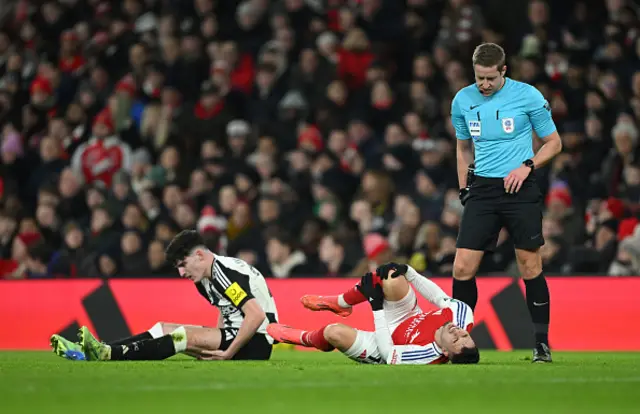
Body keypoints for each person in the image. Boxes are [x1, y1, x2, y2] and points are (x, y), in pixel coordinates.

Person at [451, 43, 563, 362]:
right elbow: (462, 148)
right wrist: (464, 189)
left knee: (530, 266)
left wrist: (527, 165)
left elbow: (554, 143)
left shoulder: (527, 96)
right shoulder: (462, 100)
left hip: (520, 187)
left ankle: (540, 343)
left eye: (490, 78)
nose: (484, 84)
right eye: (479, 78)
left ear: (504, 71)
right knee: (461, 268)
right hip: (483, 190)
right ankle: (461, 340)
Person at [50, 230, 279, 361]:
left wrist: (228, 352)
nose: (181, 273)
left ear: (199, 255)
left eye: (183, 264)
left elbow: (256, 315)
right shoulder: (206, 276)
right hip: (239, 335)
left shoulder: (223, 273)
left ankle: (107, 354)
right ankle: (97, 349)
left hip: (257, 342)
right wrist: (213, 340)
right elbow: (226, 309)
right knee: (162, 328)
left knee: (182, 336)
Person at [267, 263, 479, 365]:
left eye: (456, 340)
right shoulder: (462, 315)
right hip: (406, 314)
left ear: (445, 351)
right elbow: (438, 297)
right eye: (465, 335)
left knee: (334, 333)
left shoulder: (426, 355)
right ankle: (341, 302)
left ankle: (302, 338)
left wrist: (375, 305)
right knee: (392, 275)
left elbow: (388, 354)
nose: (458, 332)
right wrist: (409, 271)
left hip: (383, 343)